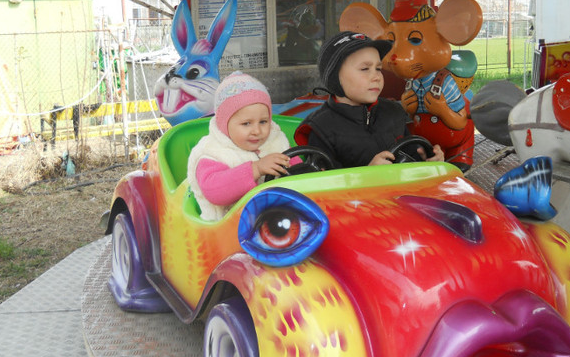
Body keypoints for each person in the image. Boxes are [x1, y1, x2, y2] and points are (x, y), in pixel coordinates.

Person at [295, 31, 444, 168]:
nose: (376, 77)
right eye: (365, 69)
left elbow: (410, 152)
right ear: (335, 78)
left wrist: (427, 159)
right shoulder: (321, 128)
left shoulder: (393, 112)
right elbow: (323, 184)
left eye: (378, 69)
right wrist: (367, 173)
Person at [188, 71, 299, 220]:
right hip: (228, 228)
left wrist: (312, 174)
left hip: (278, 219)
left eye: (263, 122)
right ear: (224, 124)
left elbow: (297, 169)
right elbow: (214, 191)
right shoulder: (213, 151)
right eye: (246, 123)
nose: (257, 131)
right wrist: (256, 168)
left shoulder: (275, 141)